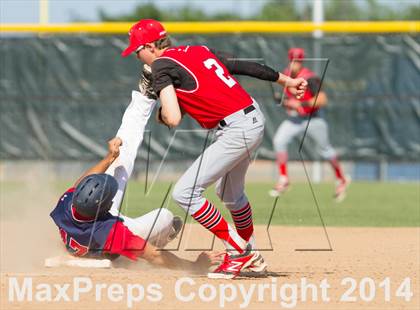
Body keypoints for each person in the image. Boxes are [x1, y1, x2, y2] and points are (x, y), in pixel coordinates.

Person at [121, 19, 308, 279]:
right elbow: (245, 67)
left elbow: (172, 118)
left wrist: (157, 95)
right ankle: (250, 254)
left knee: (185, 192)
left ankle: (239, 253)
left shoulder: (161, 65)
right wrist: (287, 80)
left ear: (150, 46)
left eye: (137, 49)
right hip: (252, 118)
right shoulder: (198, 50)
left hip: (236, 128)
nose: (136, 55)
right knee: (230, 193)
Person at [50, 70, 221, 272]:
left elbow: (83, 182)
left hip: (86, 240)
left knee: (121, 159)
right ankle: (120, 258)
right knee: (165, 218)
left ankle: (145, 96)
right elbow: (153, 256)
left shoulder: (68, 203)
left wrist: (109, 158)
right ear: (105, 208)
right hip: (105, 244)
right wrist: (196, 266)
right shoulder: (110, 231)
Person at [270, 47, 350, 201]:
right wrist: (287, 103)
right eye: (294, 60)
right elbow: (288, 101)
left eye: (299, 61)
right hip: (295, 119)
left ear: (302, 62)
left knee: (325, 150)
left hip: (314, 119)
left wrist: (301, 104)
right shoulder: (285, 76)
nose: (296, 64)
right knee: (279, 141)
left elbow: (322, 99)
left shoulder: (310, 78)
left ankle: (341, 179)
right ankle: (284, 179)